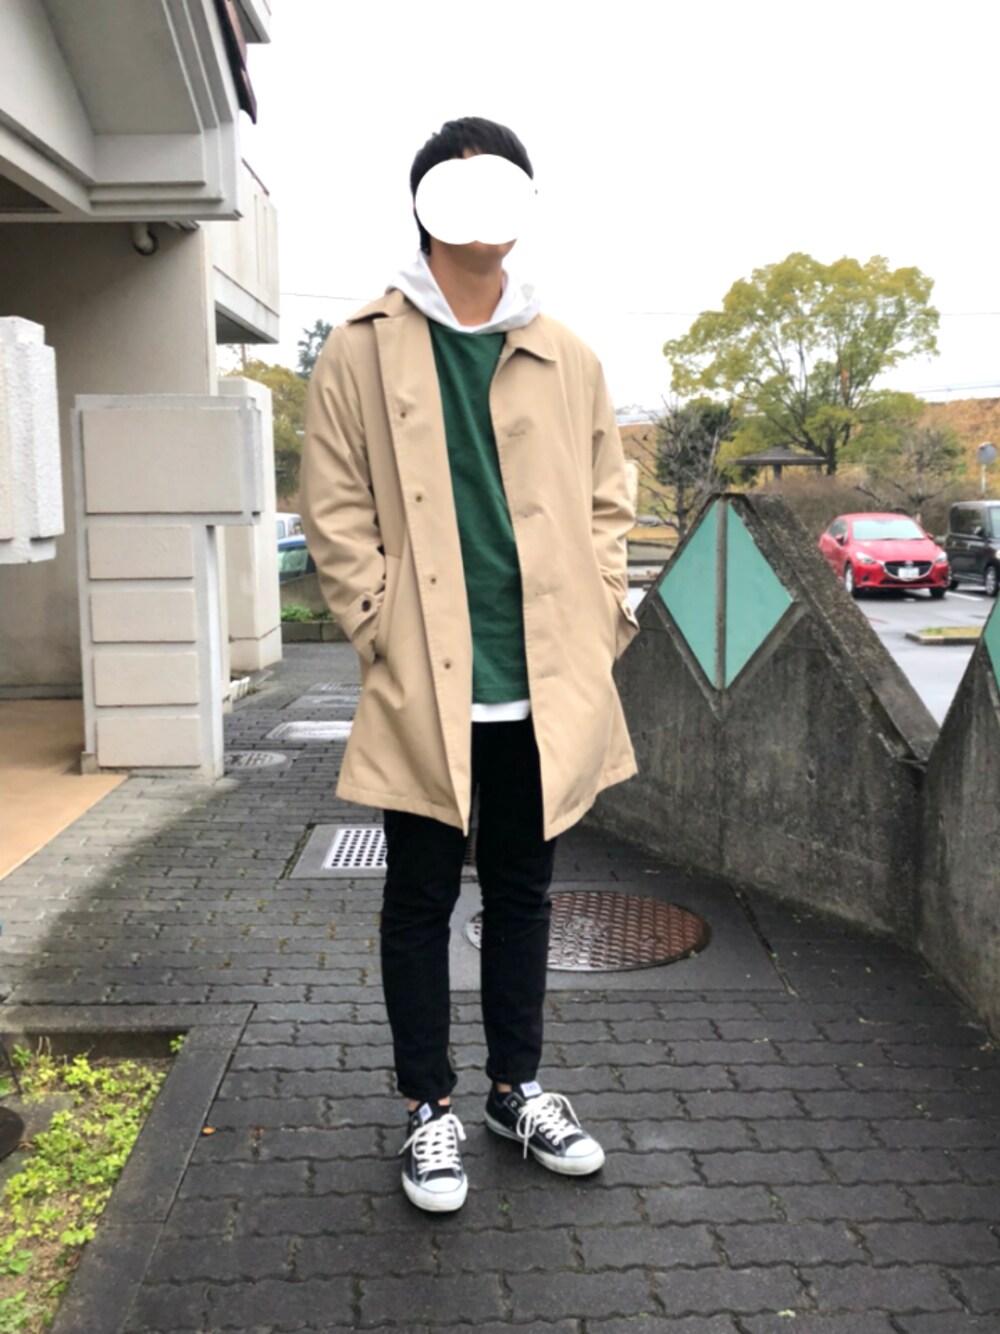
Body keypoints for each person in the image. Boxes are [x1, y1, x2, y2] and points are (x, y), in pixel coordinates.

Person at [300, 116, 640, 1213]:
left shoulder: (565, 352)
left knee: (525, 894)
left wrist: (601, 612)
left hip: (545, 678)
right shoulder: (361, 347)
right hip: (426, 678)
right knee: (418, 896)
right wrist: (379, 625)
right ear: (426, 207)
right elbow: (334, 508)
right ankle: (426, 1108)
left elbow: (609, 499)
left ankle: (515, 1089)